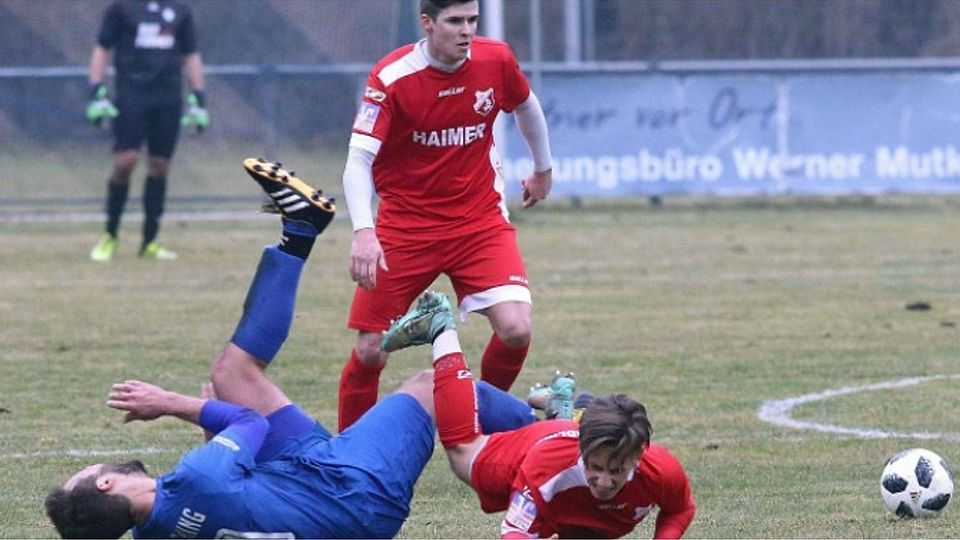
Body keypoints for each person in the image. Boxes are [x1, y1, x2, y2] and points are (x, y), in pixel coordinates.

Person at [44, 160, 556, 539]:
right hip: (351, 492)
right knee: (426, 387)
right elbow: (248, 425)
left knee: (232, 374)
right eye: (87, 472)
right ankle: (550, 433)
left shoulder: (151, 533)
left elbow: (224, 504)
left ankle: (299, 228)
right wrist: (170, 403)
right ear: (105, 484)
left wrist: (210, 428)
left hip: (304, 482)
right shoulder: (200, 480)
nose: (97, 464)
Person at [338, 0, 555, 431]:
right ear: (427, 23)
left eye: (472, 20)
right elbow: (358, 160)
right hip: (406, 228)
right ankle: (348, 452)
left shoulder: (495, 60)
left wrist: (543, 169)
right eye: (455, 21)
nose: (466, 30)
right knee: (370, 350)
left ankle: (479, 421)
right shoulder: (391, 77)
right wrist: (364, 231)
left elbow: (526, 105)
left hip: (479, 223)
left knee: (516, 328)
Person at [381, 291, 697, 539]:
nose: (603, 482)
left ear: (639, 455)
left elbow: (680, 509)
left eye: (616, 470)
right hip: (521, 457)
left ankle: (561, 410)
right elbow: (515, 533)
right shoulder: (546, 470)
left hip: (558, 438)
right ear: (583, 449)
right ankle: (441, 328)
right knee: (462, 448)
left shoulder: (661, 470)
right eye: (596, 467)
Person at [86, 0, 210, 262]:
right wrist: (95, 89)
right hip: (131, 96)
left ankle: (149, 241)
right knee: (126, 161)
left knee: (160, 165)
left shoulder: (179, 10)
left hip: (167, 98)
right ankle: (110, 235)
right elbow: (102, 47)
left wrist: (199, 96)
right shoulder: (122, 8)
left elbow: (191, 53)